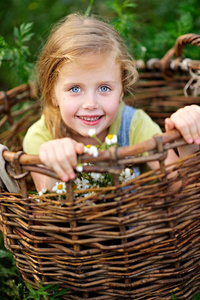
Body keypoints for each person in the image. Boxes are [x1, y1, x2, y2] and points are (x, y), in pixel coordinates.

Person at [23, 13, 200, 192]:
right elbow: (47, 212)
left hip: (134, 218)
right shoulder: (41, 137)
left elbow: (180, 189)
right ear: (52, 94)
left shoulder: (134, 124)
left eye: (104, 88)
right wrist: (54, 165)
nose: (90, 104)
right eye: (75, 89)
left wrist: (188, 142)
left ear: (121, 91)